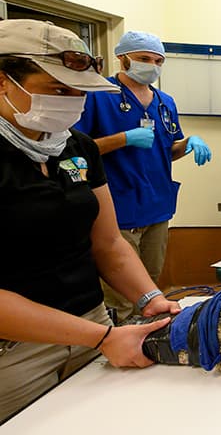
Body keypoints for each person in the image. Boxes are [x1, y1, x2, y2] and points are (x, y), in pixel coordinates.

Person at [0, 19, 180, 422]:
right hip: (16, 352)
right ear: (3, 82)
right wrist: (102, 337)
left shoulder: (75, 147)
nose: (71, 102)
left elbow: (109, 243)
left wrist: (149, 299)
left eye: (78, 92)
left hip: (92, 325)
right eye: (58, 90)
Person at [74, 31, 211, 322]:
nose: (152, 66)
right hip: (117, 207)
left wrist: (189, 143)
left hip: (156, 206)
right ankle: (119, 342)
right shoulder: (99, 95)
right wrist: (123, 138)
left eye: (158, 61)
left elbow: (167, 150)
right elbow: (76, 151)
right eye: (144, 59)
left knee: (149, 286)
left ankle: (146, 337)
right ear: (123, 58)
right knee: (120, 293)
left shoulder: (164, 102)